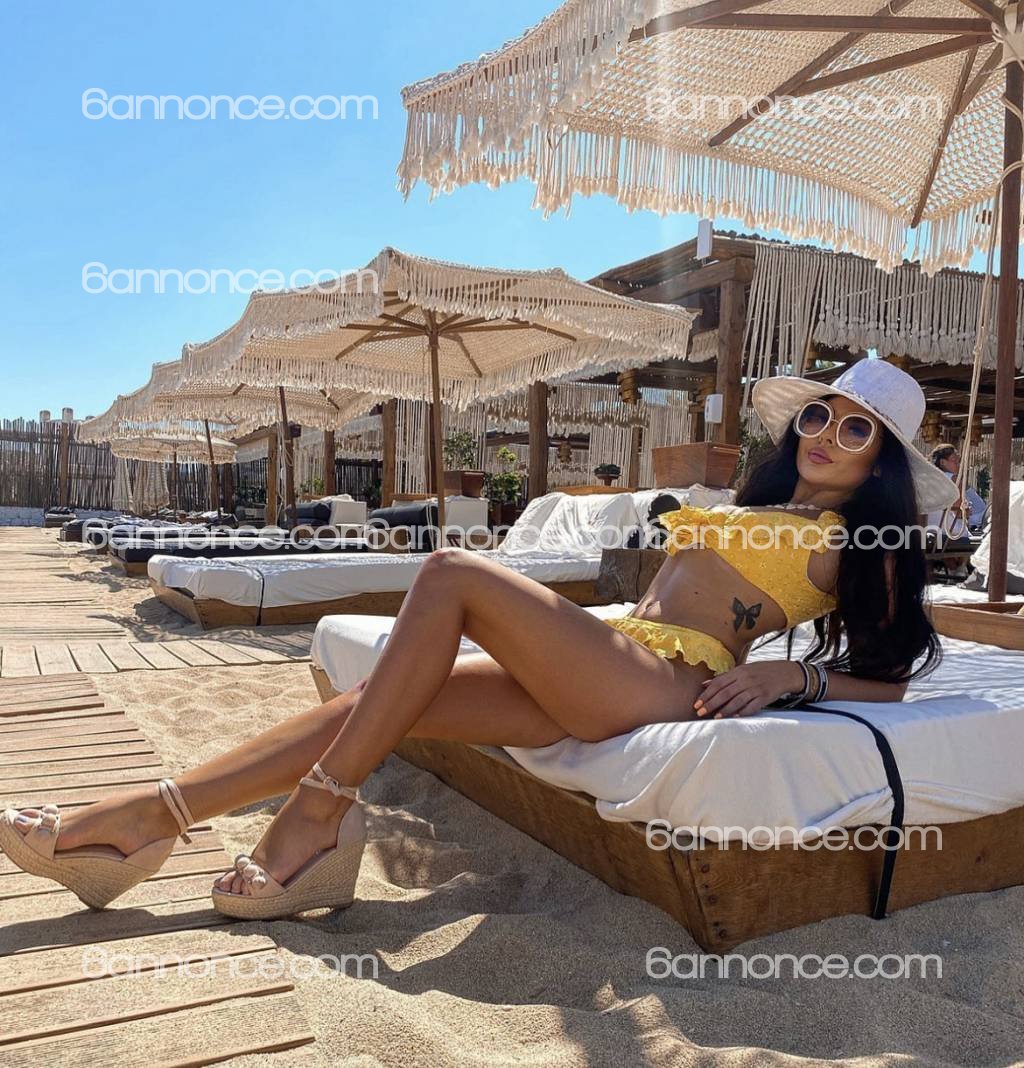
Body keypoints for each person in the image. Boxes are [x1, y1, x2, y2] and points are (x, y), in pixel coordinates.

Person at [0, 359, 958, 920]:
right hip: (615, 655)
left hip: (662, 681)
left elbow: (887, 682)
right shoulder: (759, 504)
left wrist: (790, 681)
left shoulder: (856, 541)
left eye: (857, 431)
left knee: (453, 572)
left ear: (882, 462)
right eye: (821, 415)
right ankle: (146, 820)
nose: (828, 433)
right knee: (366, 706)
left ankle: (318, 815)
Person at [926, 443, 987, 538]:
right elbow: (960, 513)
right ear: (942, 462)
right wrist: (967, 510)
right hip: (952, 531)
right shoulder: (954, 479)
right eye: (955, 461)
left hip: (931, 528)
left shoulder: (928, 479)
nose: (959, 465)